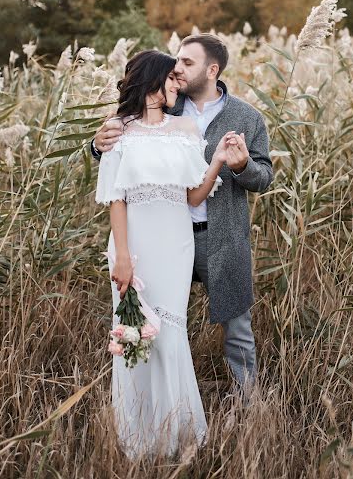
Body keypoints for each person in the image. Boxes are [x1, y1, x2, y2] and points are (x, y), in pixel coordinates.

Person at [92, 33, 273, 393]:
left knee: (237, 328)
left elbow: (263, 176)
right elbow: (121, 153)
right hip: (158, 238)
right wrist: (96, 145)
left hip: (217, 237)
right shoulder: (167, 105)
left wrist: (240, 165)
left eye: (187, 63)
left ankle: (249, 404)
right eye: (175, 63)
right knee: (156, 321)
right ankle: (162, 399)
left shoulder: (247, 117)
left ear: (212, 69)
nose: (178, 69)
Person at [95, 49, 239, 457]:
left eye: (180, 78)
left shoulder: (187, 130)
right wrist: (122, 256)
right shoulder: (117, 130)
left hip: (176, 242)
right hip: (133, 242)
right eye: (172, 79)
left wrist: (217, 162)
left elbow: (194, 194)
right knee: (134, 331)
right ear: (153, 83)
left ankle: (176, 433)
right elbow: (116, 199)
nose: (179, 85)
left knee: (170, 332)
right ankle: (136, 437)